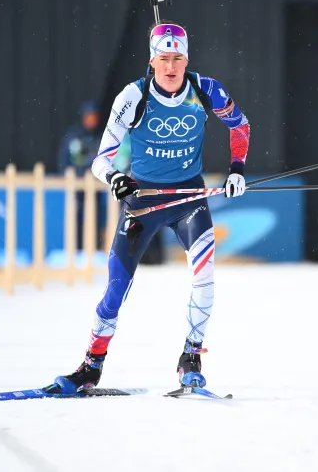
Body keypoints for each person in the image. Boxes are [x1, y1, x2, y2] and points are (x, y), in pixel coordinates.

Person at [48, 21, 250, 392]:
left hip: (189, 199)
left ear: (186, 60)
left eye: (177, 59)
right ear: (152, 60)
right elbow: (100, 160)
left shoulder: (206, 90)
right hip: (143, 202)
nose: (171, 67)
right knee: (116, 289)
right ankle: (91, 365)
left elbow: (240, 126)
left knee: (205, 278)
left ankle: (191, 358)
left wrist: (237, 169)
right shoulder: (132, 96)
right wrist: (115, 178)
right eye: (164, 58)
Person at [57, 101, 104, 249]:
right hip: (77, 188)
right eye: (89, 116)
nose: (91, 120)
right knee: (77, 218)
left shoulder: (102, 138)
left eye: (94, 117)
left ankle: (95, 249)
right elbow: (64, 161)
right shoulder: (73, 137)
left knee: (96, 218)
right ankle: (76, 249)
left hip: (96, 189)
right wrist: (70, 176)